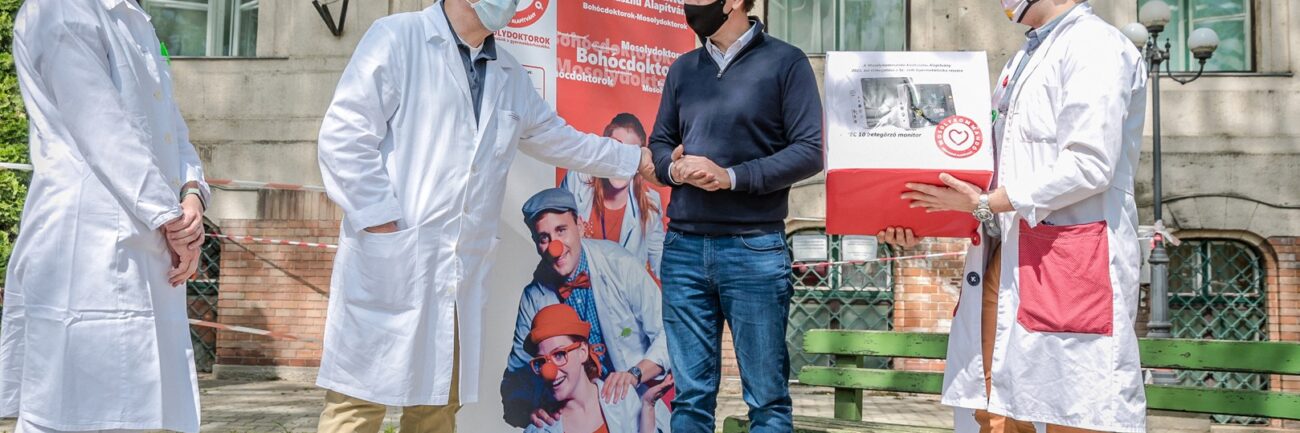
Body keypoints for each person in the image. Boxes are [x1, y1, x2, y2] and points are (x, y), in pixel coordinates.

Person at [314, 0, 658, 431]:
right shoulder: (397, 39)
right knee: (357, 408)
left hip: (457, 278)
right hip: (391, 262)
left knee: (437, 407)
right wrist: (384, 226)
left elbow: (563, 140)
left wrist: (635, 159)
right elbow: (344, 139)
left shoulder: (508, 74)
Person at [879, 1, 1149, 432]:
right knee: (995, 410)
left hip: (1067, 260)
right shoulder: (1024, 57)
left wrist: (987, 203)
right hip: (1008, 257)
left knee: (1073, 410)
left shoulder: (1095, 45)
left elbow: (1089, 164)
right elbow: (995, 170)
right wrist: (923, 216)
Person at [0, 0, 211, 432]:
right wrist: (172, 221)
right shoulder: (60, 9)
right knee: (73, 411)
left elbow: (172, 128)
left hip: (151, 243)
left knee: (143, 412)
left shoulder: (135, 19)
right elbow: (105, 129)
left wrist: (192, 196)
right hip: (85, 246)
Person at [647, 0, 824, 431]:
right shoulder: (683, 69)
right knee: (689, 399)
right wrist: (673, 169)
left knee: (766, 399)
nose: (688, 5)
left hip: (754, 248)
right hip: (683, 248)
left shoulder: (786, 62)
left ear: (731, 2)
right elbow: (660, 143)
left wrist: (731, 177)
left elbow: (809, 151)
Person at [503, 188, 670, 429]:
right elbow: (517, 375)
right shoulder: (533, 297)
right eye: (544, 238)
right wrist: (528, 409)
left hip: (636, 410)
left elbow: (668, 333)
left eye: (561, 230)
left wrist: (634, 374)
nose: (555, 247)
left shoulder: (620, 264)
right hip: (575, 418)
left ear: (580, 226)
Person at [523, 304, 672, 433]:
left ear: (583, 352)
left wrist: (647, 406)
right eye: (542, 361)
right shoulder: (539, 427)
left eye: (559, 354)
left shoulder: (623, 398)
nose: (549, 371)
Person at [561, 114, 666, 278]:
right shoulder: (577, 179)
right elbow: (555, 233)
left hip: (625, 292)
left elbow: (661, 261)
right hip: (578, 288)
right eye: (617, 150)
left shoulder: (650, 202)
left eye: (630, 154)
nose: (621, 162)